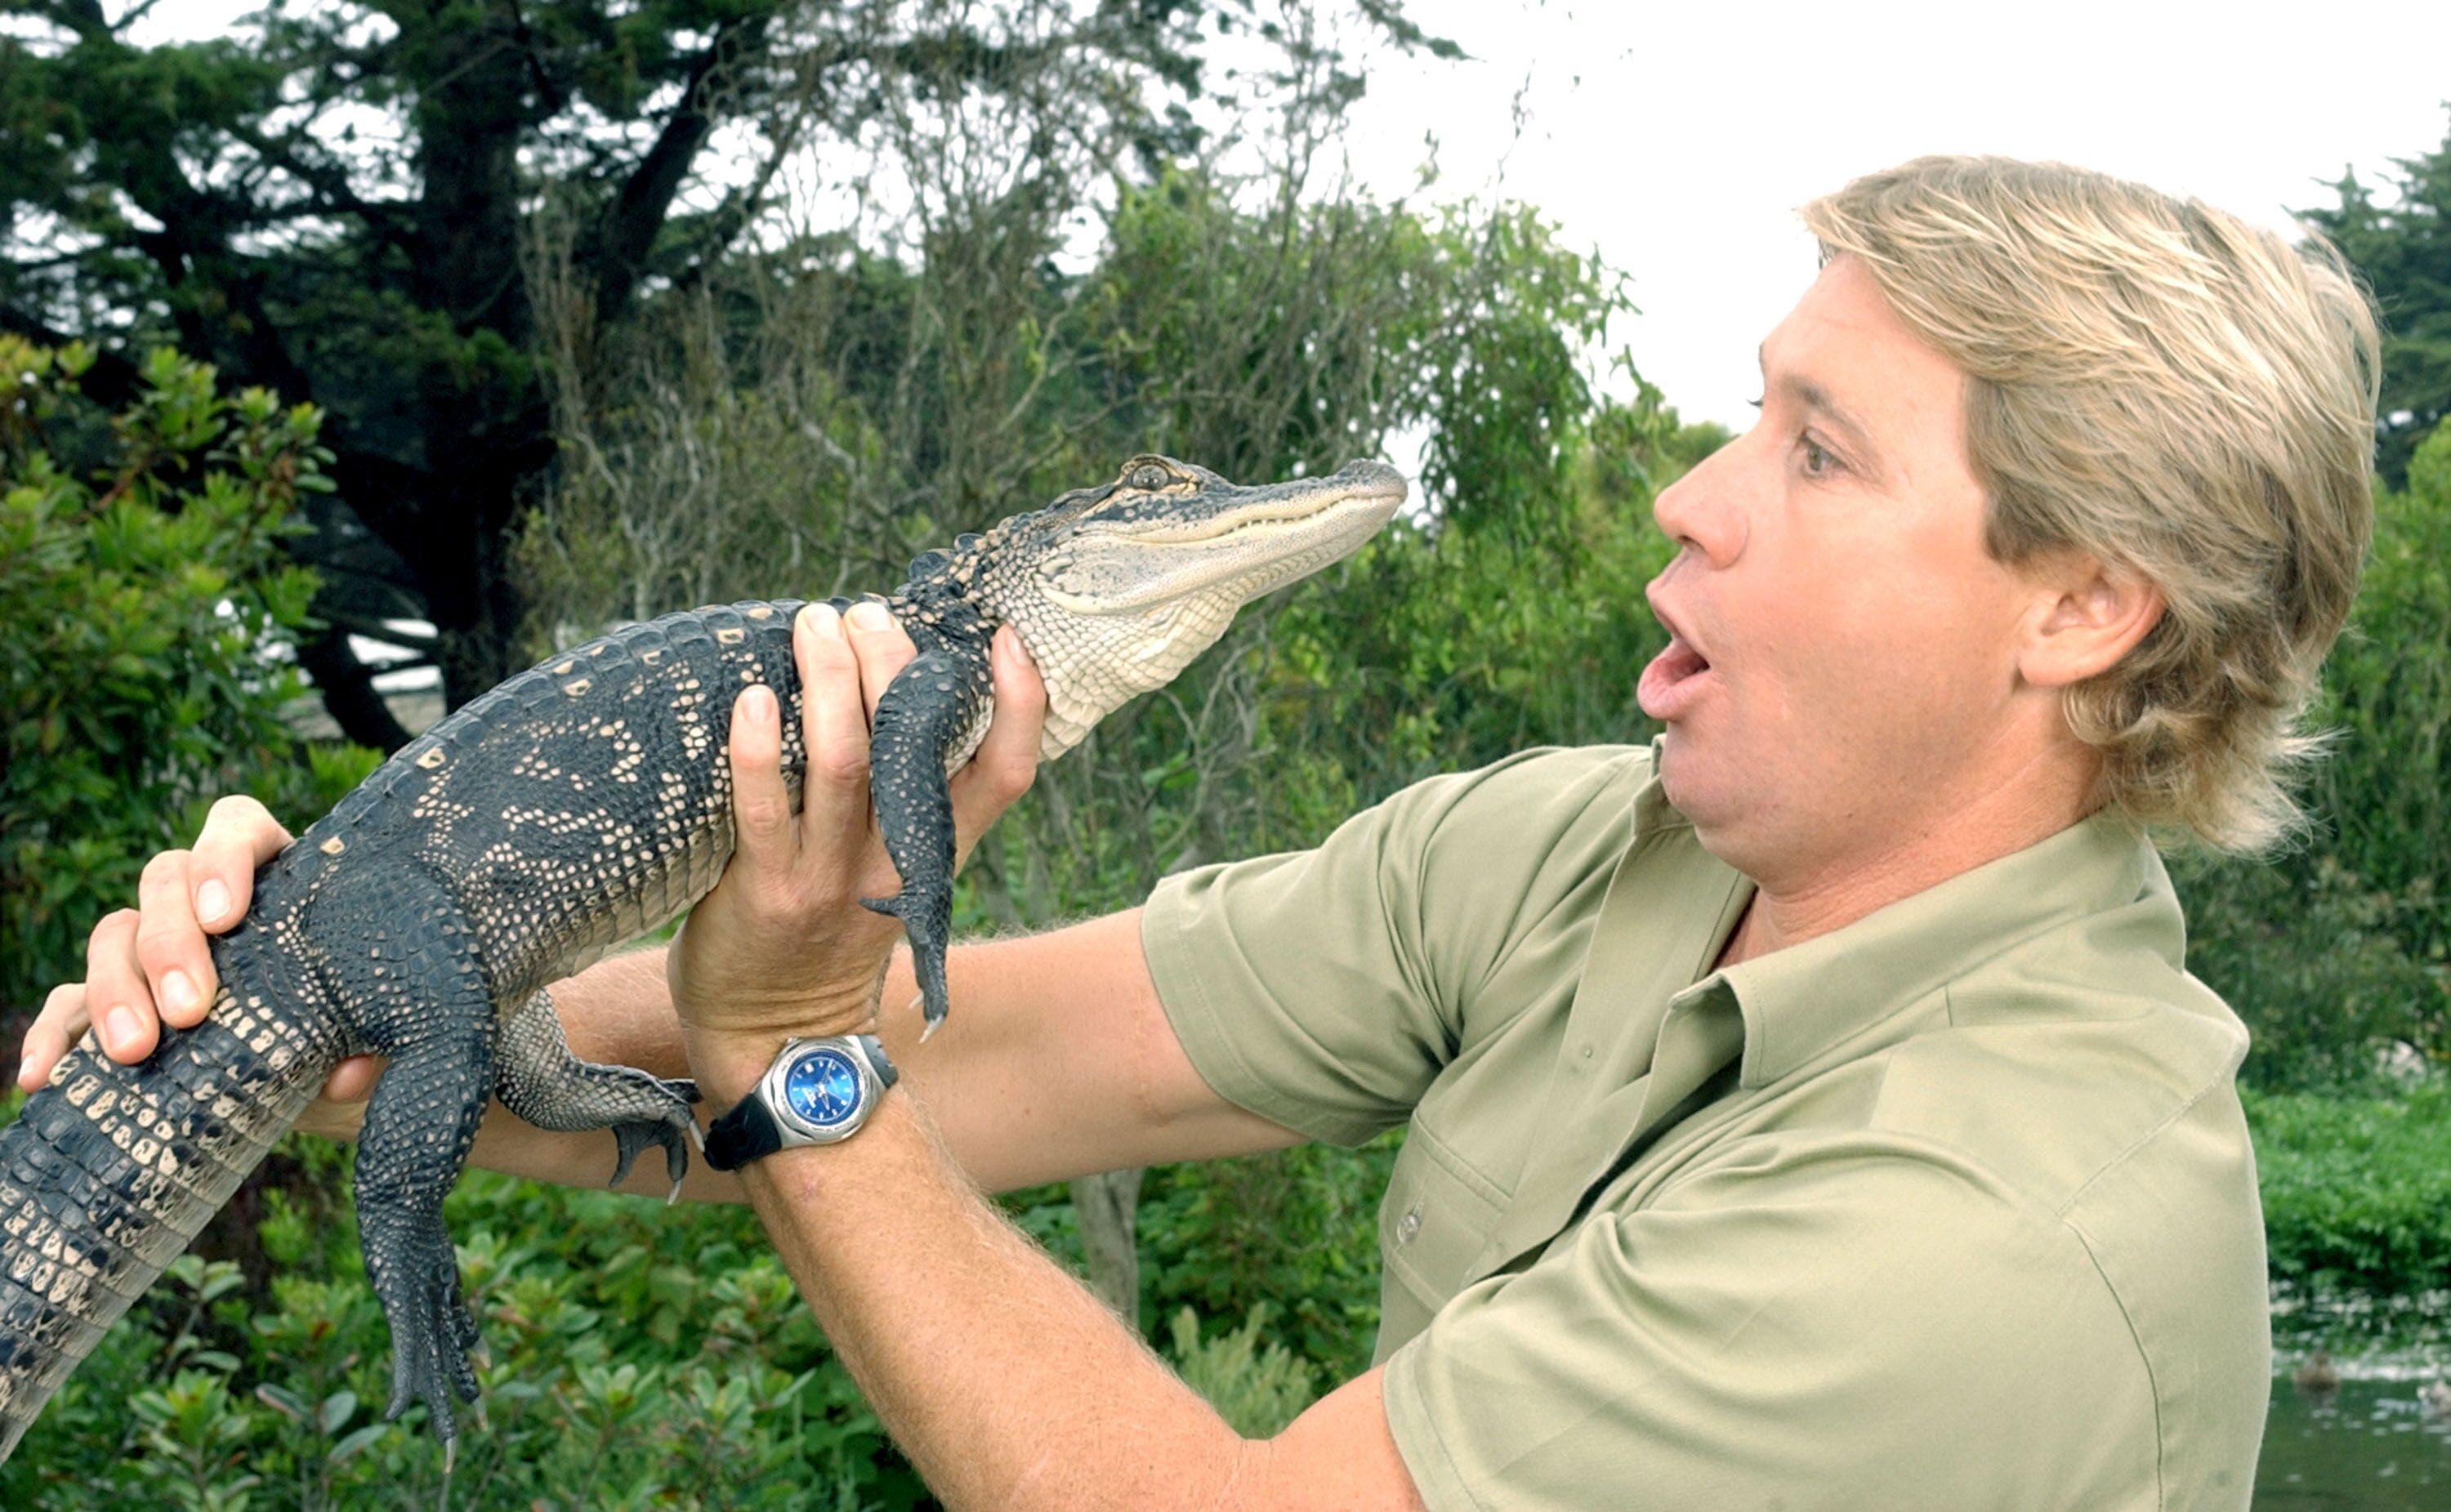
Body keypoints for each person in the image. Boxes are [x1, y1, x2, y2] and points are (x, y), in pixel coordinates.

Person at [23, 155, 2382, 1510]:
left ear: (2082, 605)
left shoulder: (1989, 1242)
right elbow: (1007, 1056)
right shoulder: (1591, 848)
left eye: (1818, 450)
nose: (1688, 492)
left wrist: (797, 1057)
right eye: (1743, 416)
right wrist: (282, 1026)